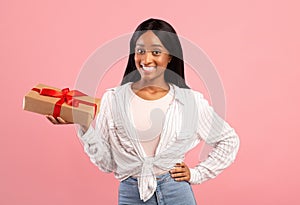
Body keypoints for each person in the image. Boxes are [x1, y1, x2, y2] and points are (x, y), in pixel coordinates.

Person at [47, 18, 240, 205]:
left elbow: (228, 140)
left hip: (176, 193)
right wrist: (84, 125)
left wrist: (197, 173)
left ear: (170, 56)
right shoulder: (113, 99)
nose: (146, 59)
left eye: (156, 52)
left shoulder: (189, 102)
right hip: (131, 195)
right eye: (140, 51)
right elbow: (106, 164)